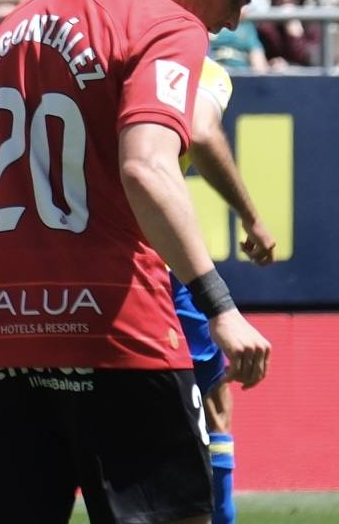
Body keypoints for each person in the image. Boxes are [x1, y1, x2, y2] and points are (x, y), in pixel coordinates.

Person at [0, 0, 274, 522]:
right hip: (119, 333)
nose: (231, 21)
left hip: (7, 336)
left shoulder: (21, 18)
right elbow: (147, 166)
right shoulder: (170, 24)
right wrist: (221, 308)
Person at [173, 56, 277, 524]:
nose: (234, 18)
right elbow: (201, 131)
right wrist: (251, 216)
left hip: (51, 256)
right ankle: (222, 516)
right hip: (147, 251)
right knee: (214, 394)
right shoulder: (204, 69)